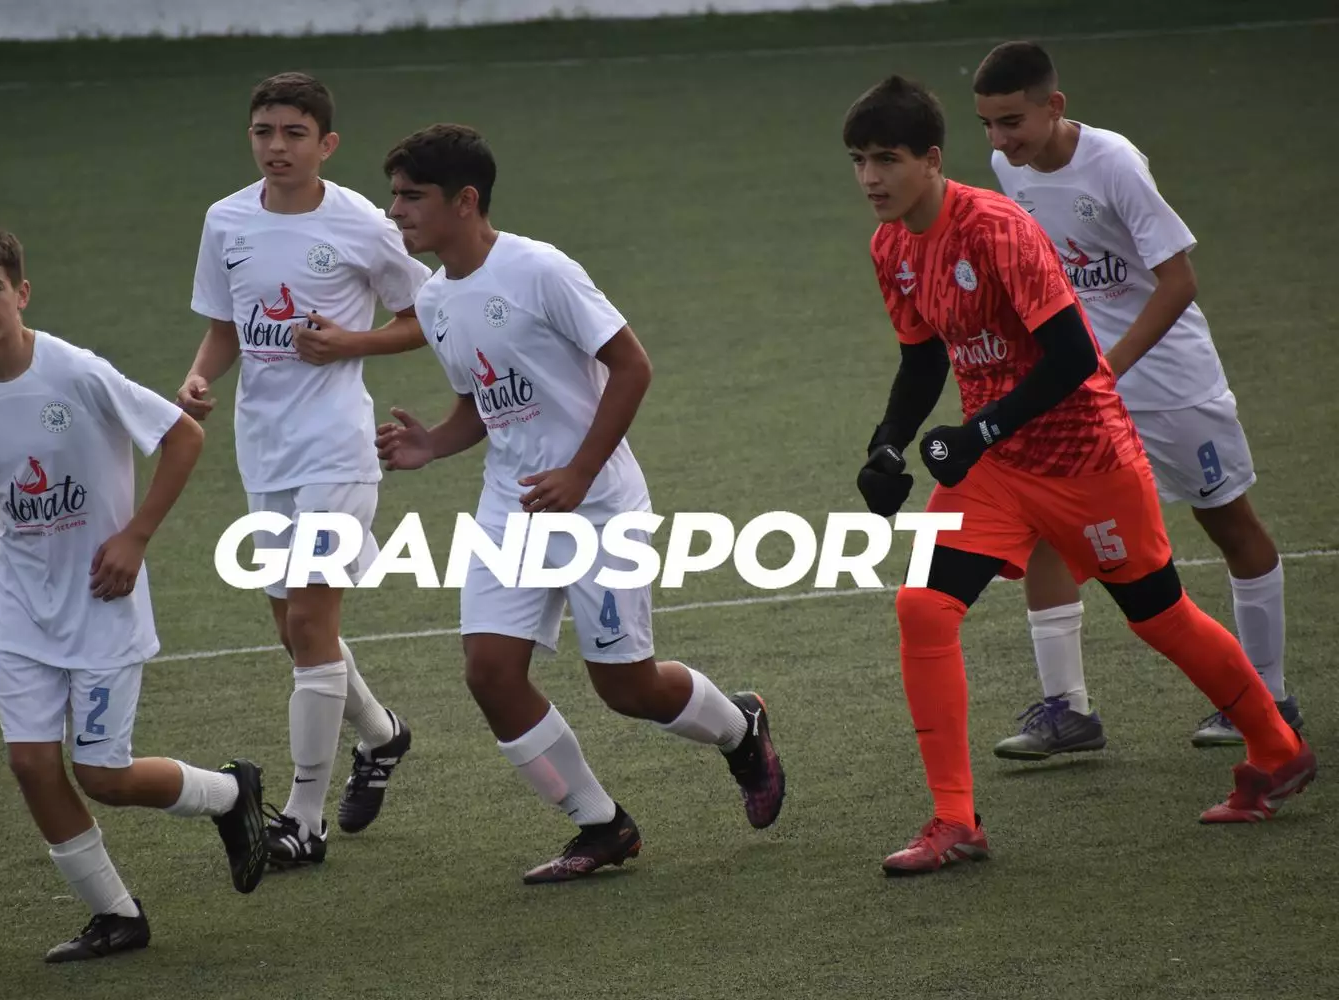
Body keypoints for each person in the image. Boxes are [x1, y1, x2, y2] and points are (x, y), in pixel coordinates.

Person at [844, 76, 1315, 875]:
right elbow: (922, 359)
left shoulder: (998, 230)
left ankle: (1277, 747)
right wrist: (888, 445)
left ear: (931, 159)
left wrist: (979, 430)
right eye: (859, 161)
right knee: (922, 606)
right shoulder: (891, 246)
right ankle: (955, 820)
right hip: (998, 469)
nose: (870, 178)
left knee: (1158, 617)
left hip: (1085, 458)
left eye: (886, 159)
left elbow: (1071, 358)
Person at [374, 123, 785, 883]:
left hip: (599, 506)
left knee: (627, 688)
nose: (395, 210)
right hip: (513, 506)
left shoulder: (540, 270)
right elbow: (482, 404)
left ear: (465, 201)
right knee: (489, 673)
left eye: (411, 196)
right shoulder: (433, 300)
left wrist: (579, 473)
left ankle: (740, 727)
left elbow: (632, 367)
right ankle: (601, 825)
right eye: (394, 195)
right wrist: (433, 442)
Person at [0, 224, 268, 962]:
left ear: (21, 293)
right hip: (20, 606)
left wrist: (136, 537)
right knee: (31, 764)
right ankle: (115, 916)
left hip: (101, 600)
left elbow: (183, 436)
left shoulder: (76, 371)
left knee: (103, 777)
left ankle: (229, 794)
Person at [972, 41, 1303, 759]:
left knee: (1227, 521)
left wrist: (1105, 368)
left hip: (1170, 384)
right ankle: (1068, 711)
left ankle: (1271, 696)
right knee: (1047, 527)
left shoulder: (1115, 163)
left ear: (1054, 107)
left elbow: (1179, 281)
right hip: (1080, 386)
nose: (998, 141)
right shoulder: (1009, 168)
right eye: (987, 125)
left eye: (1011, 122)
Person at [180, 72, 430, 865]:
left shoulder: (362, 223)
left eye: (294, 133)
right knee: (293, 631)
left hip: (335, 448)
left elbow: (427, 316)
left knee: (314, 629)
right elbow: (226, 326)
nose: (276, 147)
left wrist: (352, 343)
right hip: (263, 449)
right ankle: (382, 735)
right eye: (264, 132)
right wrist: (198, 379)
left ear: (327, 144)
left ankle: (304, 818)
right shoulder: (225, 220)